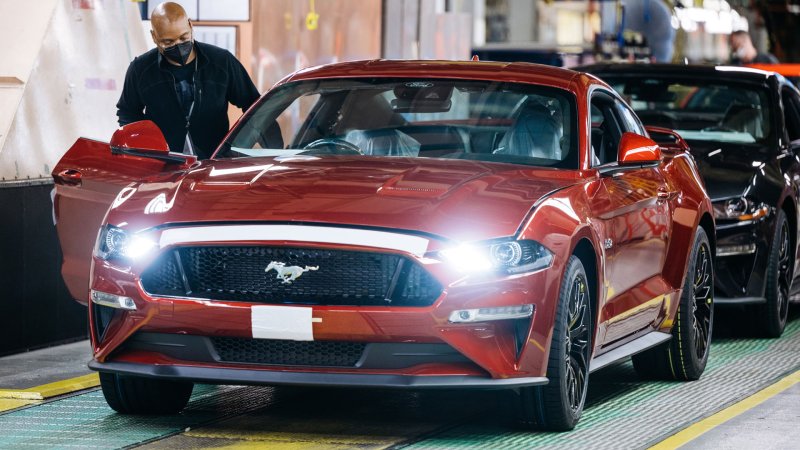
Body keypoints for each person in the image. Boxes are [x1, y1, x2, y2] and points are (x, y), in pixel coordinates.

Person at [116, 2, 260, 159]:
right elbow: (127, 112)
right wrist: (146, 146)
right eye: (168, 42)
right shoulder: (140, 70)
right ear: (154, 36)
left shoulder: (222, 62)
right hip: (162, 164)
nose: (178, 45)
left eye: (183, 37)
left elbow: (255, 107)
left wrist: (240, 145)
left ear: (190, 25)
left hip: (214, 162)